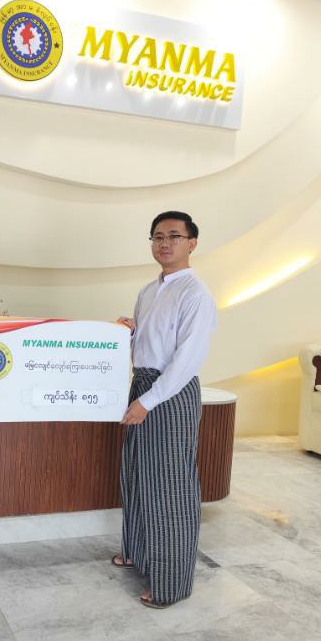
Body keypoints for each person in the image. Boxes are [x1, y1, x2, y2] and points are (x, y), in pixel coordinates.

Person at [112, 210, 216, 608]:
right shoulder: (148, 291)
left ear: (192, 243)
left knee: (169, 487)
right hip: (142, 385)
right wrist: (128, 332)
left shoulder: (196, 294)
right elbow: (151, 342)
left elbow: (187, 359)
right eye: (158, 236)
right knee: (137, 475)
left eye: (174, 236)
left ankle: (170, 583)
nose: (165, 243)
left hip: (169, 394)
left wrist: (148, 401)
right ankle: (138, 554)